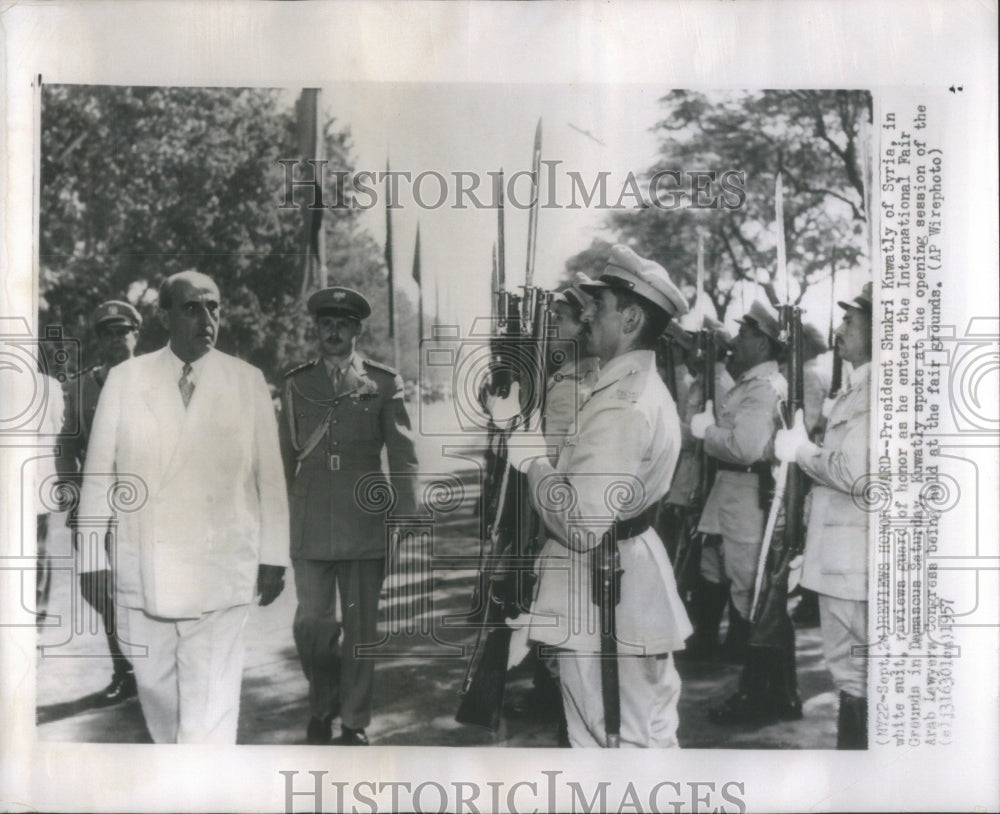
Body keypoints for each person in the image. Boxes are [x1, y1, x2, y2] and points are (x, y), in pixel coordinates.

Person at [78, 270, 289, 744]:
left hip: (221, 567)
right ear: (165, 316)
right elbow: (98, 477)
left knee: (209, 711)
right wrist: (92, 558)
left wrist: (273, 555)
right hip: (147, 570)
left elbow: (269, 480)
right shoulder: (127, 380)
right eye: (192, 308)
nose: (206, 318)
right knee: (160, 701)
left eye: (213, 307)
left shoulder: (246, 381)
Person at [495, 245, 692, 748]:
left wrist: (529, 456)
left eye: (598, 308)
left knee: (607, 746)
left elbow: (581, 523)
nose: (587, 317)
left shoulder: (622, 404)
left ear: (629, 318)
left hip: (605, 589)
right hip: (623, 574)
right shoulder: (633, 388)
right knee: (646, 737)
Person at [280, 286, 418, 746]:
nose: (333, 332)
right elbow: (283, 456)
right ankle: (323, 703)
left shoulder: (382, 381)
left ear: (357, 330)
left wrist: (405, 516)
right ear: (316, 328)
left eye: (342, 324)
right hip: (311, 518)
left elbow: (402, 453)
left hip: (364, 518)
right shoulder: (297, 383)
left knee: (360, 629)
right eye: (326, 324)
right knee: (312, 627)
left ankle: (353, 722)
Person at [691, 299, 802, 723]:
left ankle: (764, 695)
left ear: (764, 341)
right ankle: (778, 693)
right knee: (755, 597)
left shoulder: (761, 388)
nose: (735, 341)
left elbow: (745, 447)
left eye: (744, 334)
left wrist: (707, 433)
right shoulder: (751, 384)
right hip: (737, 497)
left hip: (751, 499)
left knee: (756, 597)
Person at [775, 282, 872, 748]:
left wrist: (803, 453)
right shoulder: (859, 387)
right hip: (840, 555)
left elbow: (853, 472)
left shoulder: (876, 389)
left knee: (855, 676)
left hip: (852, 560)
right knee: (852, 675)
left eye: (851, 321)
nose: (839, 330)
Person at [503, 285, 600, 736]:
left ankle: (560, 707)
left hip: (559, 511)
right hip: (560, 509)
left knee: (557, 611)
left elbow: (556, 459)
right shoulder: (570, 378)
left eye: (561, 318)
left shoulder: (575, 385)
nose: (554, 327)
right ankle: (555, 697)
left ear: (585, 323)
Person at [58, 300, 142, 703]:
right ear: (100, 340)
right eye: (108, 333)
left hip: (146, 504)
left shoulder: (158, 382)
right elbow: (66, 445)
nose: (116, 340)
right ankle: (125, 668)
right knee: (96, 587)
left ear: (136, 336)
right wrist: (74, 494)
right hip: (95, 504)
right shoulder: (78, 387)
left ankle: (143, 669)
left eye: (122, 332)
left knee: (144, 588)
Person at [665, 316, 735, 659]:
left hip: (705, 485)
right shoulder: (699, 384)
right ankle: (696, 635)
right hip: (688, 481)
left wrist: (671, 429)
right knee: (690, 565)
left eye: (697, 342)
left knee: (708, 566)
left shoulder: (720, 387)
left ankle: (707, 639)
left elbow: (713, 442)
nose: (691, 349)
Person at [788, 321, 831, 627]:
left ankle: (810, 600)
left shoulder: (809, 374)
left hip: (806, 461)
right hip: (807, 458)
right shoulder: (812, 372)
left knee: (806, 531)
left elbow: (810, 420)